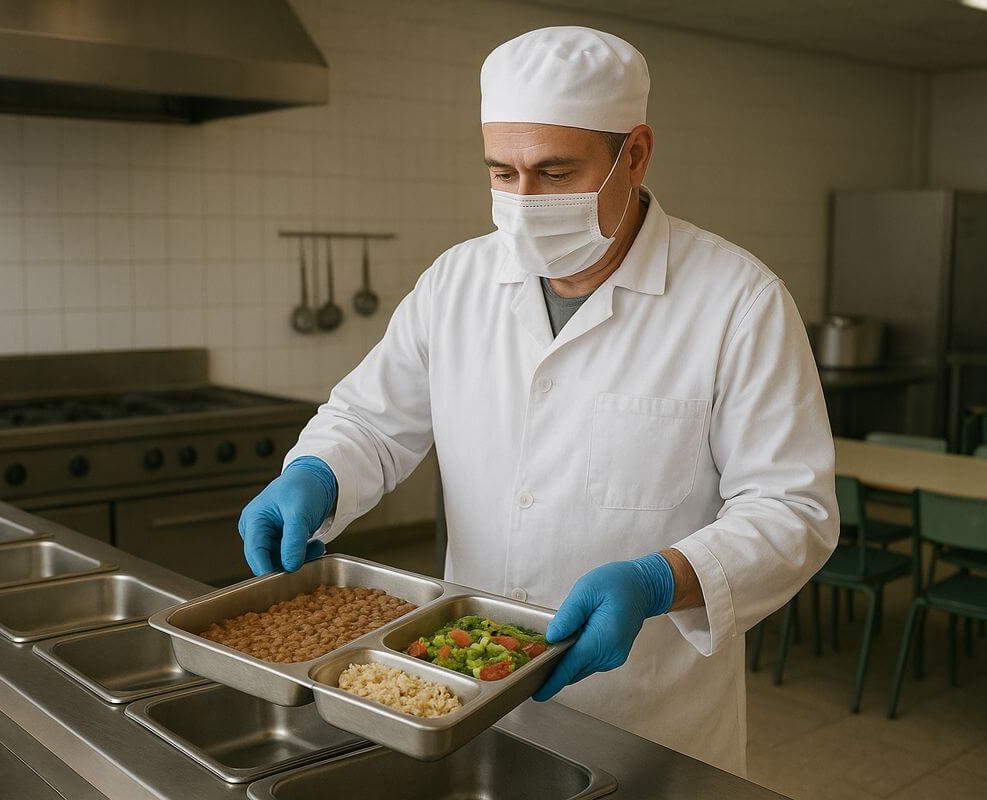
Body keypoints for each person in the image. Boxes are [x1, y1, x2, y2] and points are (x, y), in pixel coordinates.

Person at [238, 25, 838, 775]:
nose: (524, 202)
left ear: (636, 152)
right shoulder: (457, 282)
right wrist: (318, 472)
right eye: (502, 173)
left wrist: (661, 581)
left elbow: (793, 512)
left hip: (645, 711)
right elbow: (371, 418)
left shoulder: (737, 301)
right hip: (459, 688)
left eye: (555, 174)